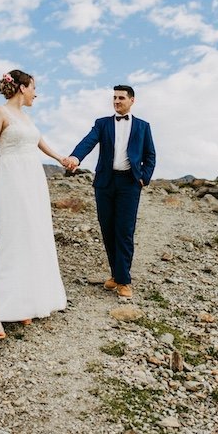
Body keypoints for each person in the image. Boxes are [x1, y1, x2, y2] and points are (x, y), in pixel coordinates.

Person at [0, 70, 68, 340]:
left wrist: (62, 159)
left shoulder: (26, 118)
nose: (36, 94)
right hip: (12, 178)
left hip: (34, 179)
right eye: (34, 88)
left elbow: (40, 144)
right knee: (13, 239)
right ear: (22, 87)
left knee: (34, 237)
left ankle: (23, 304)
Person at [63, 85, 156, 299]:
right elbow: (89, 141)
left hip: (130, 184)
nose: (116, 101)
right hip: (105, 182)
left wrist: (144, 177)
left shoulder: (143, 127)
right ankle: (116, 274)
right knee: (108, 229)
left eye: (121, 98)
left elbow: (150, 155)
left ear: (132, 100)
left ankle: (124, 280)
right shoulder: (102, 123)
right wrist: (76, 158)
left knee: (124, 230)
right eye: (114, 97)